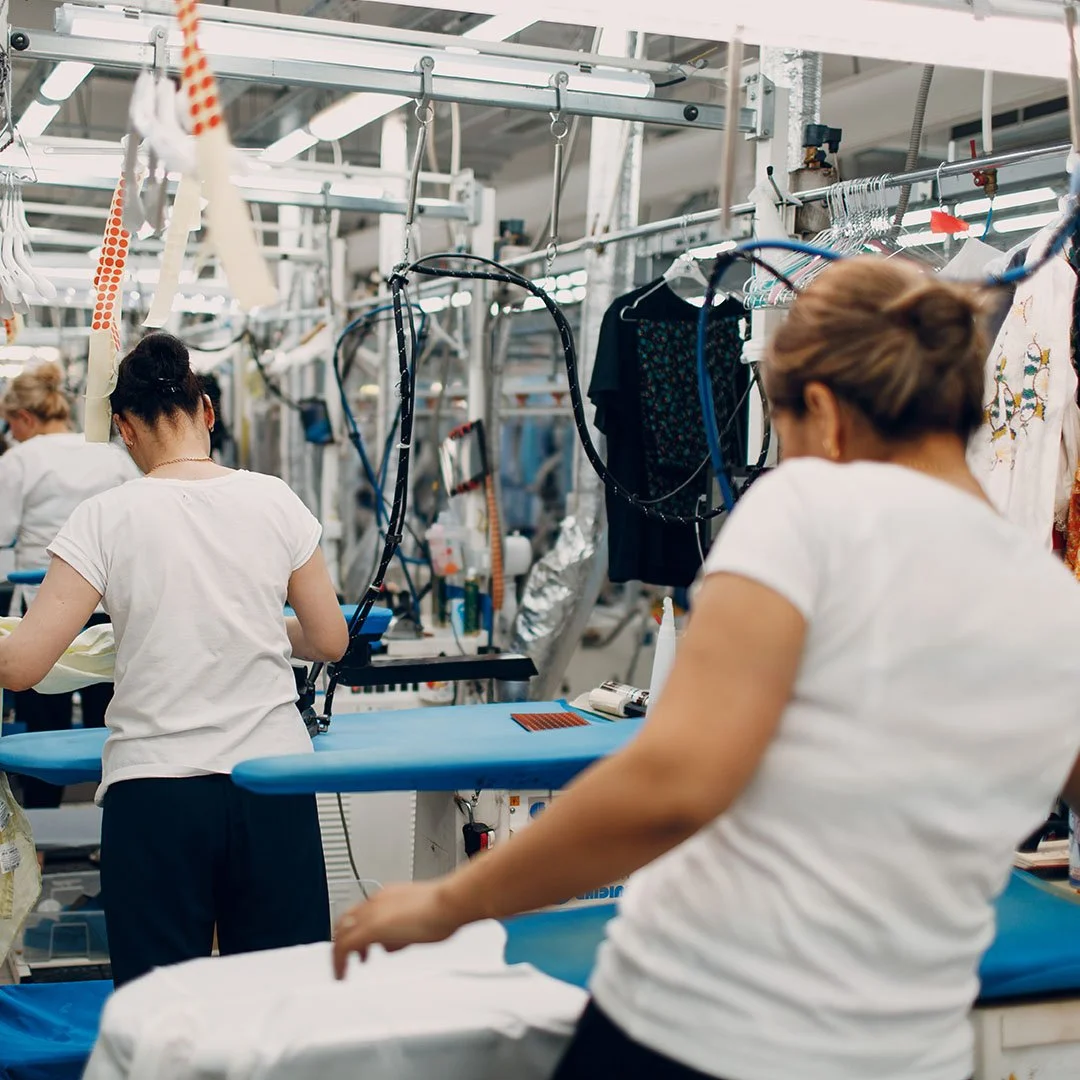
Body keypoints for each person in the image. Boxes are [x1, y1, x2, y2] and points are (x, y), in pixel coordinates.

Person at [331, 256, 1080, 1080]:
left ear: (824, 414)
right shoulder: (1052, 602)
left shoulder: (810, 509)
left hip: (703, 1032)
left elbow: (673, 784)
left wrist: (447, 903)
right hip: (905, 1055)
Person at [0, 333, 349, 987]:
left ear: (125, 430)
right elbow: (329, 641)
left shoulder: (105, 516)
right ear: (208, 412)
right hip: (272, 785)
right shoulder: (276, 499)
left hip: (157, 796)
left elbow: (22, 667)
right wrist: (257, 626)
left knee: (160, 1017)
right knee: (286, 1009)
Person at [0, 363, 138, 809]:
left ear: (22, 418)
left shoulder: (19, 459)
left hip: (41, 610)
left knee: (44, 729)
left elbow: (1, 534)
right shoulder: (112, 455)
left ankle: (36, 839)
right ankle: (111, 829)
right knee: (112, 723)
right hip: (108, 608)